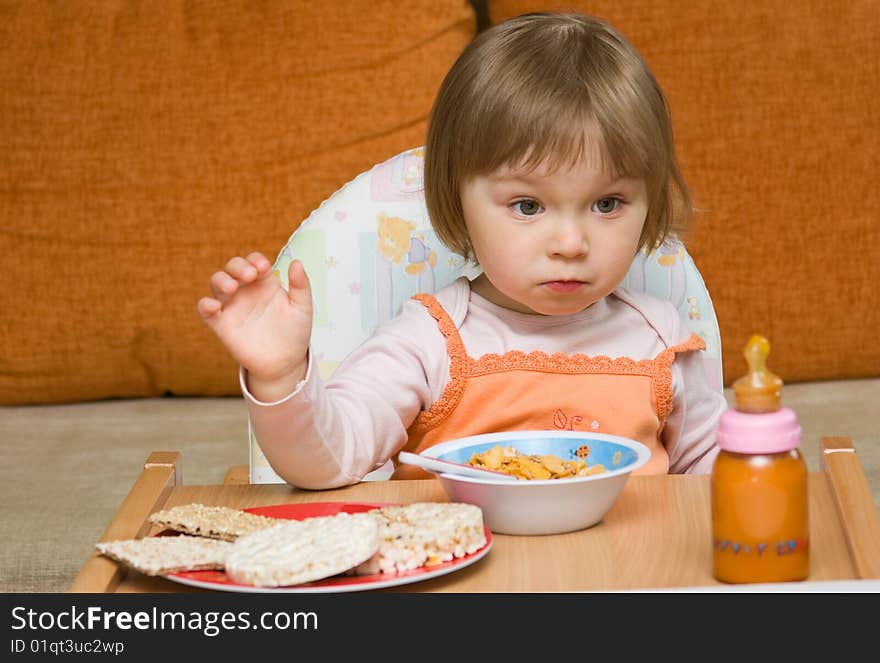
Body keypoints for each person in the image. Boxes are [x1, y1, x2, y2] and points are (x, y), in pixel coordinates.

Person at [198, 12, 726, 488]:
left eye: (607, 203)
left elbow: (712, 478)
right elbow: (327, 461)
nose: (571, 244)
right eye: (527, 206)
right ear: (457, 199)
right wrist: (280, 375)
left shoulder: (661, 341)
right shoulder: (429, 342)